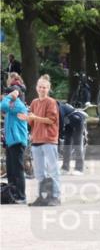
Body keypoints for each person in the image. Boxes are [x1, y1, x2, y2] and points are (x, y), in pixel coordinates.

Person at [26, 75, 61, 206]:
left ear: (48, 88)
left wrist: (35, 117)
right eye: (40, 87)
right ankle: (42, 196)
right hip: (36, 140)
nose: (42, 89)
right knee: (39, 171)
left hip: (49, 140)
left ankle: (56, 196)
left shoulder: (51, 102)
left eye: (44, 87)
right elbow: (32, 121)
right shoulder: (34, 102)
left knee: (53, 170)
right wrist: (27, 118)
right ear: (36, 88)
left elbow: (51, 120)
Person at [2, 85, 29, 203]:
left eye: (7, 94)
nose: (4, 96)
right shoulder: (11, 106)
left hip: (17, 141)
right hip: (10, 142)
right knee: (11, 170)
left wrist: (9, 96)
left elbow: (2, 106)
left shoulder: (18, 105)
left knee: (18, 170)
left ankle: (22, 196)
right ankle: (13, 193)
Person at [58, 100, 86, 175]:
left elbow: (60, 123)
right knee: (67, 144)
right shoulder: (55, 106)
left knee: (77, 143)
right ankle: (65, 167)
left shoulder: (59, 108)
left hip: (78, 120)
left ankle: (79, 168)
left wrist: (59, 134)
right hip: (69, 122)